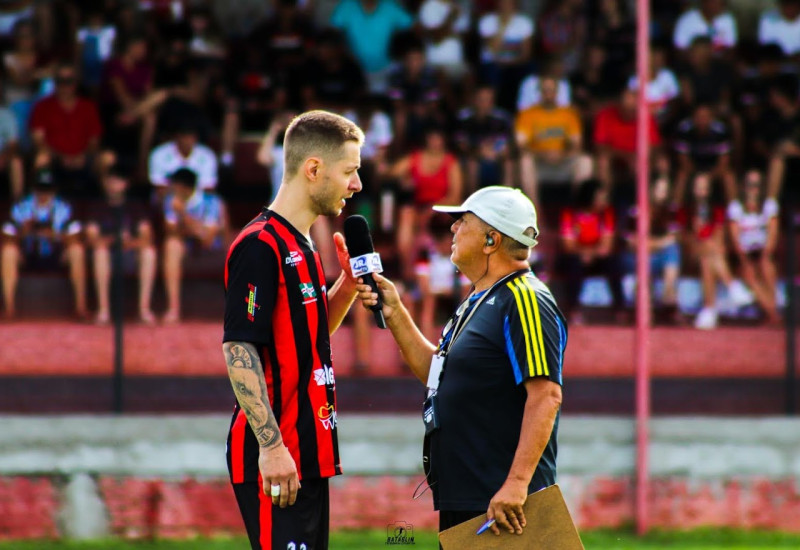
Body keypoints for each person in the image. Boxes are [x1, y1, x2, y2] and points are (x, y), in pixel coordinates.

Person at [355, 186, 566, 538]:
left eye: (462, 221)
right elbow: (437, 375)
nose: (453, 229)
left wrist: (516, 484)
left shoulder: (525, 298)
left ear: (491, 240)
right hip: (471, 497)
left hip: (504, 505)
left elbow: (546, 395)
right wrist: (395, 312)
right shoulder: (480, 299)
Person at [222, 110, 365, 550]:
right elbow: (238, 348)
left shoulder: (304, 244)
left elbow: (310, 336)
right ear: (313, 169)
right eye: (350, 171)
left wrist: (347, 286)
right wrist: (271, 448)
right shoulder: (259, 245)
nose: (357, 184)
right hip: (277, 457)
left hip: (309, 454)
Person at [1, 168, 86, 319]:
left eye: (47, 190)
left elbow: (76, 235)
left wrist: (55, 235)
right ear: (34, 189)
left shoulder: (64, 207)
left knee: (77, 250)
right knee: (8, 251)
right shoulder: (21, 207)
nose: (43, 195)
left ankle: (80, 307)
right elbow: (6, 234)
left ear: (54, 190)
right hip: (28, 253)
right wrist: (24, 232)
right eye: (40, 190)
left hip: (56, 253)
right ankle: (10, 309)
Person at [85, 158, 156, 325]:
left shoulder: (135, 206)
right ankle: (103, 311)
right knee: (100, 252)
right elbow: (91, 238)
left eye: (117, 181)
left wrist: (129, 242)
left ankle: (144, 310)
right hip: (106, 255)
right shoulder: (97, 207)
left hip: (130, 254)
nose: (113, 185)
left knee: (149, 253)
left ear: (126, 184)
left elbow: (147, 237)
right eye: (110, 180)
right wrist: (114, 239)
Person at [162, 167, 227, 323]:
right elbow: (172, 232)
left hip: (210, 247)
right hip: (185, 244)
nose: (171, 189)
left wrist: (183, 214)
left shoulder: (211, 202)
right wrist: (194, 229)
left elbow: (207, 238)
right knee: (171, 245)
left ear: (183, 187)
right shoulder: (170, 201)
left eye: (174, 186)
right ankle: (173, 309)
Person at [727, 169, 780, 325]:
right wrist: (745, 260)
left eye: (756, 185)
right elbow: (735, 239)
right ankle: (773, 314)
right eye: (749, 184)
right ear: (743, 186)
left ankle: (772, 313)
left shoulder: (769, 204)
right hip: (744, 254)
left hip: (764, 251)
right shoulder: (736, 206)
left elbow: (772, 234)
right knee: (749, 274)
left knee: (767, 268)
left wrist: (765, 255)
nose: (753, 189)